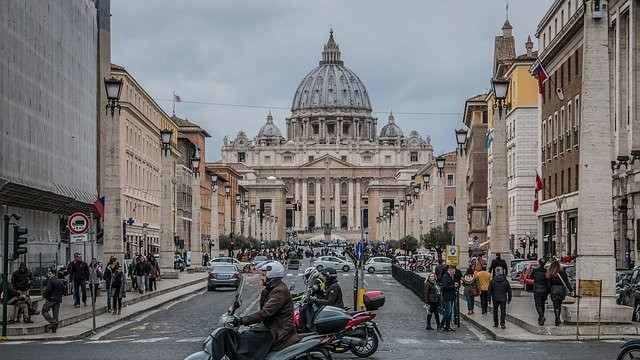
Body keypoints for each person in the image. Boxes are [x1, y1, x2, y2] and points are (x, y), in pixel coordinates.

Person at [233, 261, 300, 353]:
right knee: (248, 335)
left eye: (264, 275)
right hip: (273, 326)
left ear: (272, 277)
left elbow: (265, 313)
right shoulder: (273, 288)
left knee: (247, 341)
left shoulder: (279, 292)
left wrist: (242, 320)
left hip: (279, 332)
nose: (262, 278)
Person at [546, 260, 573, 326]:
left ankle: (557, 318)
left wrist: (548, 292)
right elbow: (567, 282)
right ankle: (557, 318)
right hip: (561, 290)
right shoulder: (563, 272)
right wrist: (571, 290)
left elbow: (548, 284)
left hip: (554, 289)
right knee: (559, 304)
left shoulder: (551, 273)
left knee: (556, 305)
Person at [42, 268, 63, 333]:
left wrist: (45, 296)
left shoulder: (51, 281)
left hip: (51, 299)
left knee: (44, 311)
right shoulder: (59, 281)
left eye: (50, 274)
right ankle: (54, 329)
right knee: (55, 314)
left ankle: (53, 322)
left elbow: (48, 290)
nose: (49, 275)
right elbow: (63, 290)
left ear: (53, 274)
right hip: (58, 299)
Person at [440, 266, 458, 332]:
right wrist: (454, 286)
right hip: (447, 296)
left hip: (451, 296)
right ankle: (441, 325)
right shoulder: (445, 277)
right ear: (450, 270)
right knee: (448, 312)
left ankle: (447, 326)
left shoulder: (450, 277)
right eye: (453, 272)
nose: (454, 273)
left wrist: (454, 285)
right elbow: (444, 286)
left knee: (450, 313)